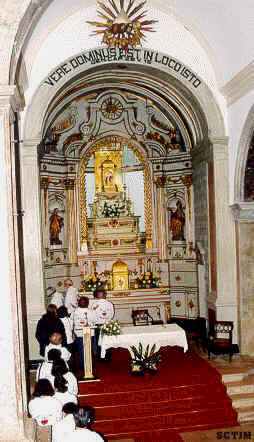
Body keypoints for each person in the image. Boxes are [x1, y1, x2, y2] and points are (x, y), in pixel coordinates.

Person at [89, 289, 114, 359]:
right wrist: (107, 320)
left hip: (98, 325)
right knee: (108, 340)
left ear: (96, 296)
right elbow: (112, 314)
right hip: (107, 325)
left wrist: (95, 321)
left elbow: (92, 315)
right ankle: (107, 356)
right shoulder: (110, 304)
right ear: (105, 295)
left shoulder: (94, 304)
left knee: (98, 341)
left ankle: (99, 357)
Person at [73, 297, 95, 369]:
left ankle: (83, 365)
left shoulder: (75, 311)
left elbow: (71, 322)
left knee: (82, 349)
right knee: (85, 349)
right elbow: (95, 320)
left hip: (81, 333)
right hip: (86, 333)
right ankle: (86, 365)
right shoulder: (91, 311)